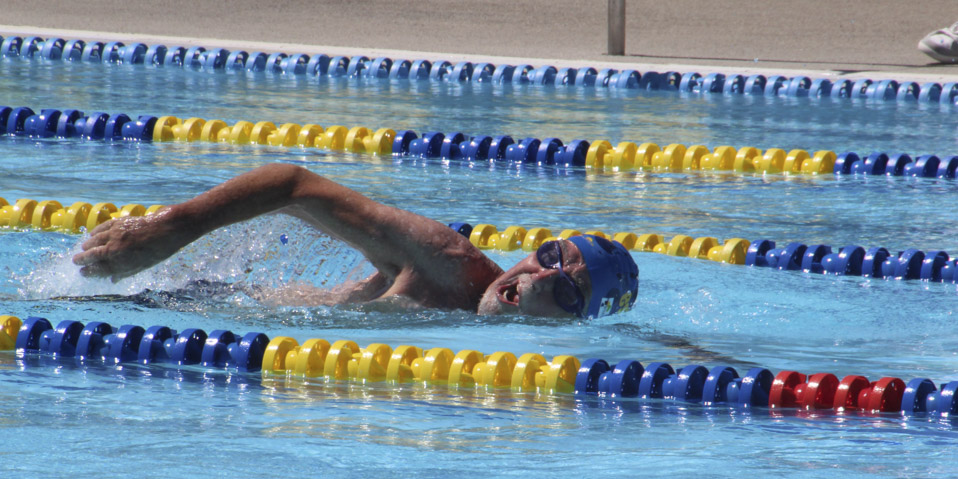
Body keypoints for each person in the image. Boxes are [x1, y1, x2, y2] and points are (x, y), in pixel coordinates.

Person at [73, 163, 638, 320]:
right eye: (547, 259)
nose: (535, 278)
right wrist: (167, 230)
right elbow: (292, 184)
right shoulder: (443, 261)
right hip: (197, 309)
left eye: (565, 293)